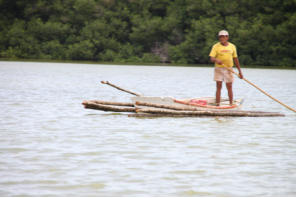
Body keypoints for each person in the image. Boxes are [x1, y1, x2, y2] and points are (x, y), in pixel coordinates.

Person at [209, 30, 243, 106]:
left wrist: (240, 72)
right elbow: (211, 58)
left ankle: (231, 104)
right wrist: (216, 60)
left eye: (224, 36)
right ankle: (217, 104)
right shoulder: (215, 46)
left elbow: (235, 59)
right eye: (220, 37)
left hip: (229, 68)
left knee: (229, 86)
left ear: (227, 37)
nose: (222, 38)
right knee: (219, 86)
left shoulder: (232, 46)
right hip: (219, 69)